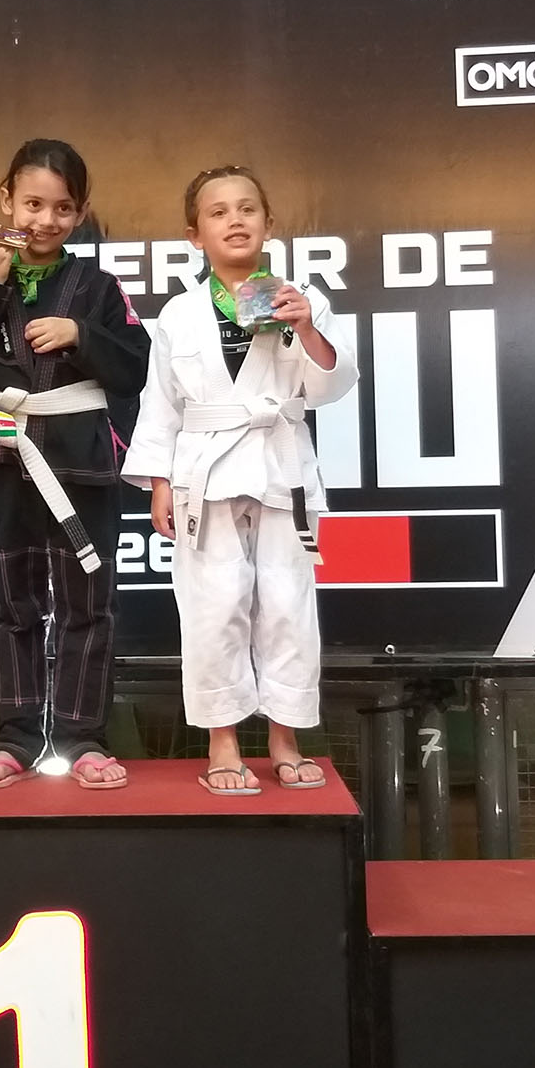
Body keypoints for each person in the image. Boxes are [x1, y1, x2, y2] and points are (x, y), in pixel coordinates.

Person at [123, 166, 357, 795]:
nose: (235, 220)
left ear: (269, 223)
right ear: (194, 234)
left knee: (287, 604)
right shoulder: (179, 313)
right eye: (218, 212)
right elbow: (161, 402)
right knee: (213, 604)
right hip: (205, 471)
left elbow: (331, 384)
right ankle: (222, 742)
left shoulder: (300, 299)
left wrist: (305, 326)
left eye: (247, 208)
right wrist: (160, 482)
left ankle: (286, 738)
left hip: (281, 463)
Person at [0, 138, 149, 790]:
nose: (45, 220)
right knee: (15, 605)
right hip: (6, 458)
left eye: (62, 208)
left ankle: (84, 738)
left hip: (84, 463)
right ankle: (15, 738)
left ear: (80, 212)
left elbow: (135, 370)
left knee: (89, 604)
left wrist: (82, 335)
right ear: (6, 200)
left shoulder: (97, 287)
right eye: (32, 204)